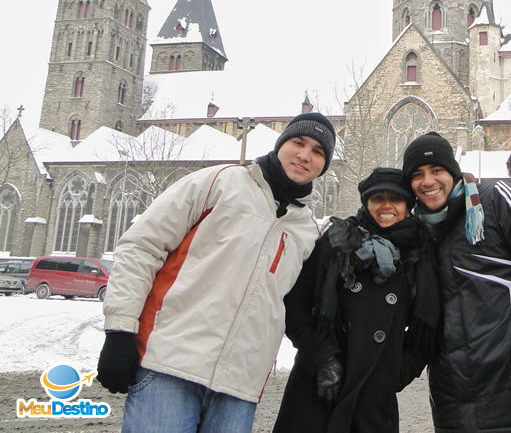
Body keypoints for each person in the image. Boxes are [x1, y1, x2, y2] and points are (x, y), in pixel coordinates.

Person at [96, 112, 337, 433]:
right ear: (281, 144)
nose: (305, 155)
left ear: (324, 165)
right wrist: (120, 330)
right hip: (171, 366)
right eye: (299, 142)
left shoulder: (306, 230)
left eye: (318, 151)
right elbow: (142, 246)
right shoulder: (220, 182)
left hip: (239, 388)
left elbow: (294, 304)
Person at [402, 132, 511, 432]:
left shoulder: (496, 200)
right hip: (455, 408)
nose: (428, 181)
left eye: (436, 170)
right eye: (417, 175)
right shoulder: (419, 235)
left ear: (453, 173)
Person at [273, 167, 440, 433]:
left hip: (374, 396)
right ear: (367, 203)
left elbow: (427, 326)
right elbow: (295, 303)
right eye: (378, 198)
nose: (386, 206)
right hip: (318, 385)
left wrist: (394, 374)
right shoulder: (338, 239)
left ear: (408, 206)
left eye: (395, 199)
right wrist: (321, 360)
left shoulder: (419, 253)